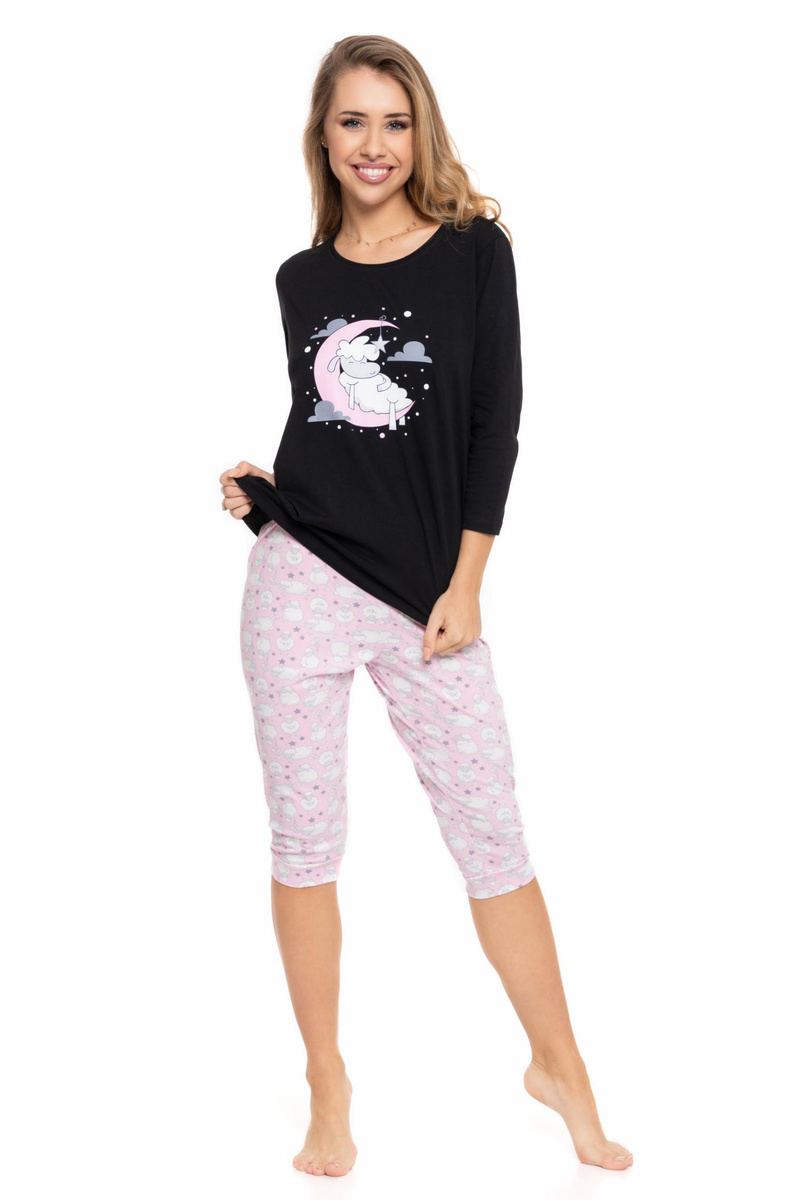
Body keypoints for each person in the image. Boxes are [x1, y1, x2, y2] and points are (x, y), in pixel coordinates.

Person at [220, 34, 633, 1178]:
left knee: (491, 837)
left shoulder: (472, 252)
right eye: (352, 121)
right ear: (322, 135)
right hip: (300, 582)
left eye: (394, 123)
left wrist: (467, 582)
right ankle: (327, 1084)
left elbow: (491, 422)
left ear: (420, 133)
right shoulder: (301, 279)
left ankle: (560, 1067)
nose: (374, 145)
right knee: (305, 842)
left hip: (428, 601)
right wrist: (266, 497)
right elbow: (336, 434)